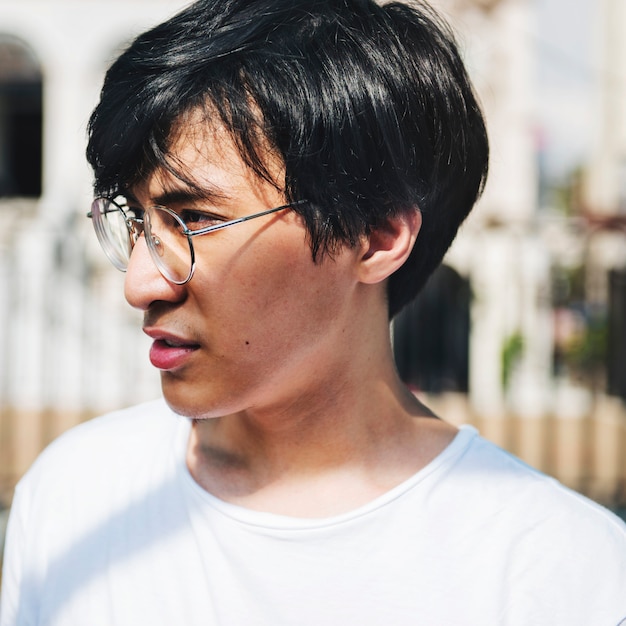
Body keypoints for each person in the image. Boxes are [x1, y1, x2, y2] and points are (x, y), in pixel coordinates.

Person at [1, 0, 625, 623]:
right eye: (137, 221)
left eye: (196, 220)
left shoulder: (559, 574)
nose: (141, 283)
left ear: (377, 238)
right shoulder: (76, 499)